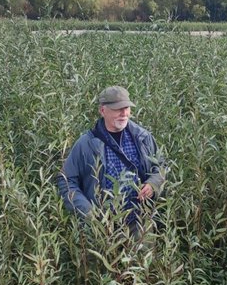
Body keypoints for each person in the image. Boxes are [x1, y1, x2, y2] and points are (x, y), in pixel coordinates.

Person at [57, 86, 165, 230]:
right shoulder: (86, 144)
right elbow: (66, 181)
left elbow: (161, 167)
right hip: (102, 229)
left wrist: (153, 184)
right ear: (102, 110)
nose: (124, 113)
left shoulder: (143, 137)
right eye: (117, 109)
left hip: (140, 225)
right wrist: (88, 213)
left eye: (126, 108)